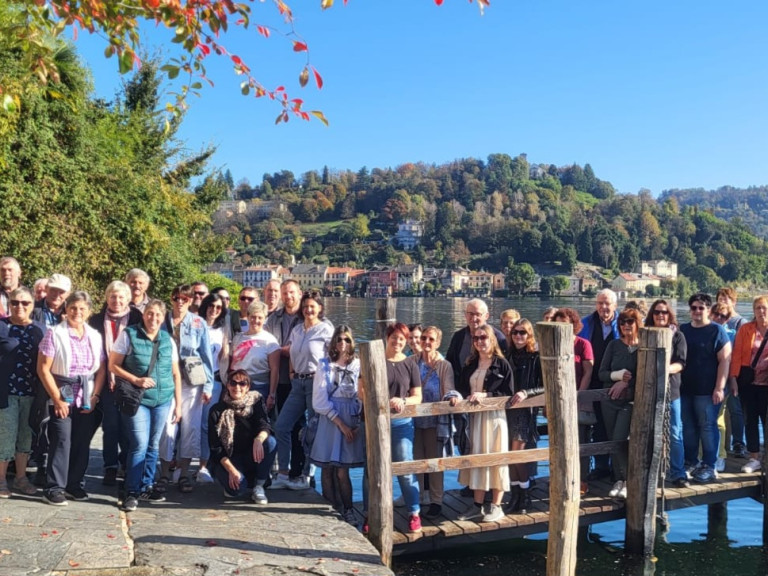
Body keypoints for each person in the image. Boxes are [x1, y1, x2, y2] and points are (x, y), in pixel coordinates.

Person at [108, 299, 182, 511]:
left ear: (163, 317)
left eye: (158, 315)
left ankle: (147, 485)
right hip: (138, 399)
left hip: (163, 399)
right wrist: (135, 380)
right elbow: (113, 365)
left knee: (153, 444)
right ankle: (132, 490)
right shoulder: (129, 335)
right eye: (150, 314)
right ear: (143, 314)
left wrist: (178, 405)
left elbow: (176, 373)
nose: (153, 318)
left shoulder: (168, 339)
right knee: (139, 444)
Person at [37, 291, 106, 505]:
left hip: (86, 392)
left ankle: (74, 484)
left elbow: (102, 368)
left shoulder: (95, 335)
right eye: (73, 307)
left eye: (82, 308)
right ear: (66, 309)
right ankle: (54, 487)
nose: (77, 312)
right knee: (61, 440)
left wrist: (95, 396)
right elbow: (43, 368)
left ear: (89, 312)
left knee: (82, 440)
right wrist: (57, 399)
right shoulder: (54, 333)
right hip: (62, 389)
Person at [363, 322, 423, 533]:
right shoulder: (375, 359)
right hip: (375, 422)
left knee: (405, 467)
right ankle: (371, 514)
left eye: (402, 339)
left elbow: (418, 396)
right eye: (394, 337)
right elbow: (361, 390)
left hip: (401, 423)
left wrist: (404, 401)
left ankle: (414, 513)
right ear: (387, 338)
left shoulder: (410, 364)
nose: (397, 342)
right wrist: (380, 401)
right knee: (372, 470)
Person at [272, 290, 333, 491]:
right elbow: (291, 352)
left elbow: (333, 358)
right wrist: (291, 372)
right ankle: (283, 472)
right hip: (297, 383)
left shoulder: (325, 329)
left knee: (312, 430)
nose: (308, 310)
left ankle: (307, 475)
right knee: (281, 426)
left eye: (312, 306)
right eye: (305, 306)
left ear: (320, 308)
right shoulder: (298, 330)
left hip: (316, 382)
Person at [158, 284, 214, 494]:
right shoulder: (162, 320)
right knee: (167, 426)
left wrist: (208, 385)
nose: (180, 302)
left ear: (190, 300)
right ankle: (164, 473)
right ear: (171, 299)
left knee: (191, 428)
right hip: (167, 380)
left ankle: (183, 474)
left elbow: (206, 356)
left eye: (184, 298)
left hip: (192, 380)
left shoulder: (199, 324)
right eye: (176, 298)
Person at [455, 323, 512, 523]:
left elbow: (508, 392)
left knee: (496, 458)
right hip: (475, 418)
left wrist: (486, 395)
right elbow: (461, 388)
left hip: (494, 418)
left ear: (492, 339)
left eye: (483, 338)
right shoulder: (470, 363)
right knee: (477, 458)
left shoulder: (501, 364)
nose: (479, 341)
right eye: (476, 338)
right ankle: (477, 505)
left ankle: (496, 506)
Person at [88, 281, 143, 486]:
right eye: (113, 296)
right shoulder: (95, 320)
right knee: (110, 426)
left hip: (130, 380)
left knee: (129, 425)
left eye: (121, 297)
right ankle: (110, 466)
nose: (117, 301)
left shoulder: (137, 318)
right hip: (106, 380)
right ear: (106, 298)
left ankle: (126, 464)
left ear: (128, 299)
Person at [310, 326, 365, 527]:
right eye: (339, 339)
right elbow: (319, 401)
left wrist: (357, 421)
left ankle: (349, 509)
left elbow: (362, 395)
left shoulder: (358, 365)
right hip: (331, 420)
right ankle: (331, 507)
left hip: (350, 418)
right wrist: (339, 422)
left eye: (347, 339)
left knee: (343, 469)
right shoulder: (324, 366)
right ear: (333, 342)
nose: (343, 343)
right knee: (327, 467)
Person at [679, 293, 732, 483]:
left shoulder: (717, 331)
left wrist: (719, 387)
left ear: (708, 310)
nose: (697, 311)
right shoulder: (683, 329)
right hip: (685, 389)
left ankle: (709, 465)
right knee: (689, 428)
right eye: (693, 307)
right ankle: (690, 462)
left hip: (708, 390)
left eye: (701, 308)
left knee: (708, 427)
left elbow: (725, 361)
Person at [0, 287, 46, 498]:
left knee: (25, 437)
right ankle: (1, 480)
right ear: (9, 304)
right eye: (15, 302)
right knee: (5, 436)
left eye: (25, 303)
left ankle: (20, 478)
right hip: (5, 392)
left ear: (33, 305)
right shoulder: (1, 326)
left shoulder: (40, 330)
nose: (20, 306)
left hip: (31, 392)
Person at [207, 369, 277, 504]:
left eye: (242, 384)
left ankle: (259, 485)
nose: (237, 387)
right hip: (229, 458)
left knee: (270, 442)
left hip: (251, 455)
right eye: (233, 383)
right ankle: (235, 481)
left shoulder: (255, 403)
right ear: (227, 385)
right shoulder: (217, 410)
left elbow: (265, 425)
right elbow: (215, 447)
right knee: (236, 490)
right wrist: (232, 471)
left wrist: (258, 439)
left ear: (248, 387)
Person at [598, 308, 643, 499]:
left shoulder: (643, 347)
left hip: (630, 401)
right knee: (612, 441)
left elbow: (645, 375)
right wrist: (616, 377)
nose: (626, 325)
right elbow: (601, 373)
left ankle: (626, 480)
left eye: (630, 322)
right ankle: (618, 479)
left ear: (637, 324)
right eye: (623, 322)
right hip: (610, 402)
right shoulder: (614, 345)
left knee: (620, 439)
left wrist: (626, 382)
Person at [265, 279, 305, 480]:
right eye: (284, 293)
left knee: (299, 426)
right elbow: (269, 345)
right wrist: (283, 350)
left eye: (291, 292)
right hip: (279, 378)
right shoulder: (274, 319)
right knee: (280, 424)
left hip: (300, 379)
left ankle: (300, 470)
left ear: (299, 293)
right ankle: (283, 469)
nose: (287, 297)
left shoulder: (306, 316)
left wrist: (285, 350)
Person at [645, 299, 688, 487]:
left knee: (675, 432)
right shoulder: (645, 334)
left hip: (672, 390)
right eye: (656, 312)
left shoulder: (678, 336)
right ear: (651, 315)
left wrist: (664, 369)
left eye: (663, 312)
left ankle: (678, 472)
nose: (660, 315)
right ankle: (648, 471)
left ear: (669, 314)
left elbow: (681, 362)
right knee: (647, 432)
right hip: (647, 390)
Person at [412, 326, 454, 518]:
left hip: (435, 420)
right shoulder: (411, 361)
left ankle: (436, 500)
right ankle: (419, 498)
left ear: (437, 343)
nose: (426, 342)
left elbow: (449, 389)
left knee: (435, 462)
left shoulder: (444, 365)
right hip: (413, 420)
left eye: (431, 339)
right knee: (417, 461)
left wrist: (452, 397)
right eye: (424, 338)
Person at [578, 288, 619, 480]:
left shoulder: (624, 323)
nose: (603, 307)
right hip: (591, 380)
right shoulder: (586, 323)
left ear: (615, 305)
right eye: (600, 303)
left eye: (607, 303)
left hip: (616, 382)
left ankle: (617, 469)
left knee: (615, 426)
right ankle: (600, 467)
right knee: (596, 426)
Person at [552, 307, 594, 494]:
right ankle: (561, 478)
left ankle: (582, 479)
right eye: (559, 324)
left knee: (580, 441)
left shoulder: (583, 344)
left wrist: (579, 395)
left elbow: (588, 372)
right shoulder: (551, 343)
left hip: (578, 399)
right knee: (558, 441)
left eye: (566, 324)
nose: (562, 327)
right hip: (558, 399)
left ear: (574, 325)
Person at [505, 319, 544, 513]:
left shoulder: (535, 356)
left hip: (525, 411)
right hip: (506, 410)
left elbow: (544, 385)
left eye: (523, 333)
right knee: (508, 456)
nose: (519, 336)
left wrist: (526, 393)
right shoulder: (506, 355)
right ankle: (515, 494)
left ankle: (525, 494)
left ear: (529, 335)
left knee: (517, 454)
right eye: (515, 333)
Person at [728, 295, 768, 475]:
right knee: (750, 420)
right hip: (748, 383)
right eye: (758, 308)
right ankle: (754, 458)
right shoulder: (746, 329)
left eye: (765, 308)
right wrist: (733, 379)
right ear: (753, 311)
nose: (761, 311)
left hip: (766, 385)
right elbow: (736, 356)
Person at [197, 293, 232, 484]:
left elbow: (224, 358)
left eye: (219, 308)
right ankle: (178, 464)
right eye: (211, 305)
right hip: (192, 380)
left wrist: (225, 382)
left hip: (214, 382)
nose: (214, 310)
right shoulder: (195, 324)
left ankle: (203, 465)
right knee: (186, 422)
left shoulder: (222, 330)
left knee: (205, 424)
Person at [715, 287, 747, 458]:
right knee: (718, 411)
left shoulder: (739, 322)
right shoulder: (716, 319)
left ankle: (738, 443)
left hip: (734, 371)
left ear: (734, 301)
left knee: (735, 409)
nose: (723, 300)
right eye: (721, 297)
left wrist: (735, 374)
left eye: (727, 298)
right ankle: (722, 446)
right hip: (718, 371)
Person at [446, 299, 507, 382]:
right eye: (470, 314)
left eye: (478, 314)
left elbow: (504, 369)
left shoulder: (498, 338)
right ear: (465, 315)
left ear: (486, 316)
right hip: (461, 388)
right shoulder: (458, 336)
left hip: (487, 390)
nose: (474, 318)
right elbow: (449, 362)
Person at [230, 301, 280, 399]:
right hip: (237, 386)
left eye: (260, 317)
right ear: (248, 317)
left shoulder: (270, 340)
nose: (255, 320)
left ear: (265, 319)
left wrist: (272, 394)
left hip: (259, 386)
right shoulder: (238, 338)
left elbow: (275, 370)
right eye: (253, 316)